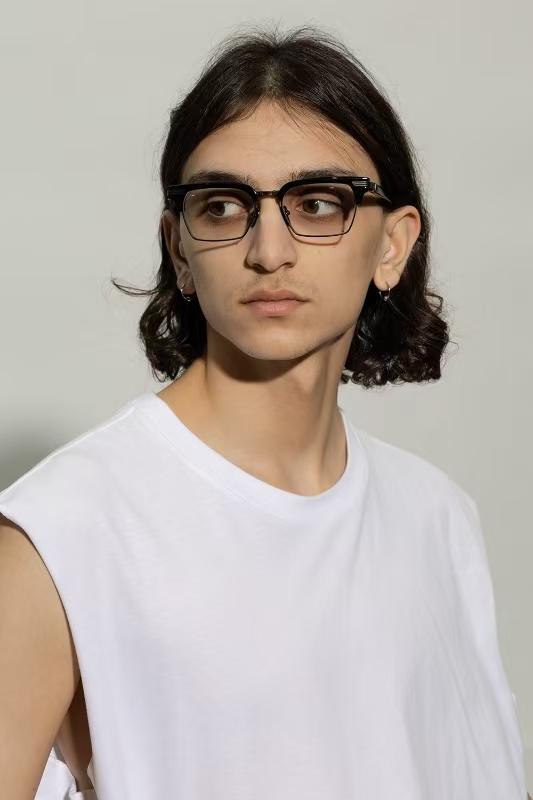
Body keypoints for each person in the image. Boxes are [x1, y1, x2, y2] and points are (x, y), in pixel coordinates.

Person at [0, 23, 529, 800]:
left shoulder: (436, 518)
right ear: (179, 249)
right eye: (223, 207)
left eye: (317, 203)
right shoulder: (59, 536)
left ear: (393, 245)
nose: (268, 250)